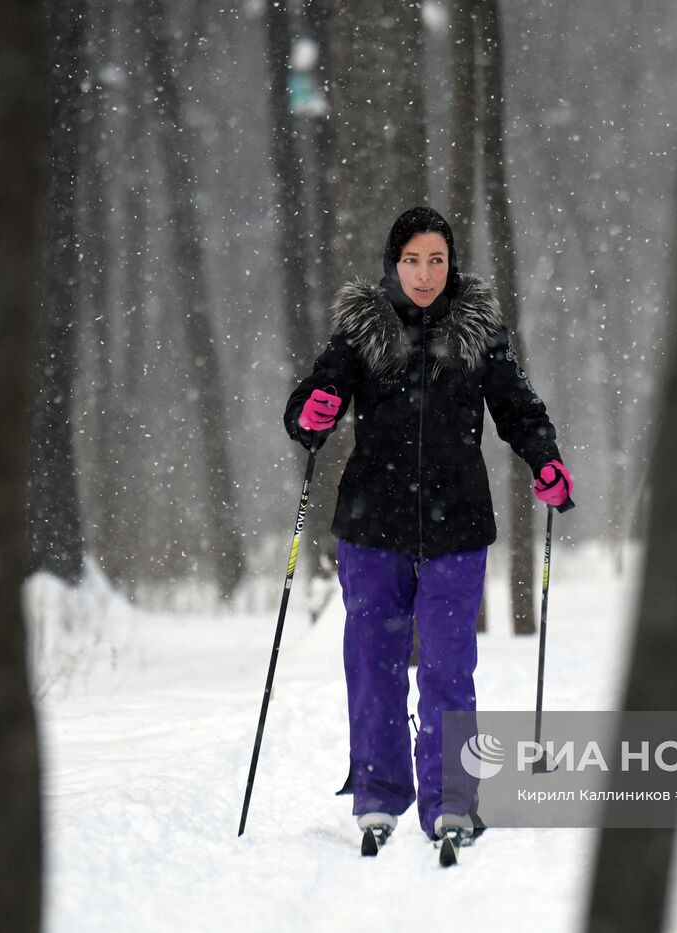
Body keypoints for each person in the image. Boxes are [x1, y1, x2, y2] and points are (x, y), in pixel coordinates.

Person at [283, 206, 574, 845]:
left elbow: (519, 409)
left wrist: (545, 459)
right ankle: (378, 793)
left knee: (448, 662)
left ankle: (452, 800)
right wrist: (315, 411)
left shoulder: (479, 331)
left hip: (457, 527)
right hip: (372, 527)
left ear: (452, 264)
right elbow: (308, 411)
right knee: (374, 661)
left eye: (436, 260)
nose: (424, 274)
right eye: (412, 260)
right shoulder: (361, 331)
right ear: (394, 263)